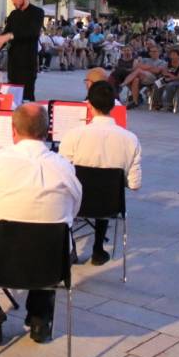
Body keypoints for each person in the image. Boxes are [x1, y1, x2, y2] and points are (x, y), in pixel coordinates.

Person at [0, 103, 81, 345]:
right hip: (51, 262)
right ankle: (40, 321)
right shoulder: (65, 168)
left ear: (13, 130)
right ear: (47, 131)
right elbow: (73, 212)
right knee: (49, 237)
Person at [59, 81, 141, 265]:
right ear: (113, 105)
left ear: (89, 104)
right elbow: (135, 184)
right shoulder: (130, 139)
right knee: (105, 186)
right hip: (111, 204)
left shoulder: (74, 134)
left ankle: (70, 247)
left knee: (70, 190)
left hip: (77, 203)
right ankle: (98, 248)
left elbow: (61, 171)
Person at [0, 0, 45, 101]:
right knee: (12, 98)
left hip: (28, 63)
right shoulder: (13, 15)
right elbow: (4, 35)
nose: (14, 1)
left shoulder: (37, 12)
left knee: (26, 98)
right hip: (13, 63)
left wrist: (10, 36)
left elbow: (32, 33)